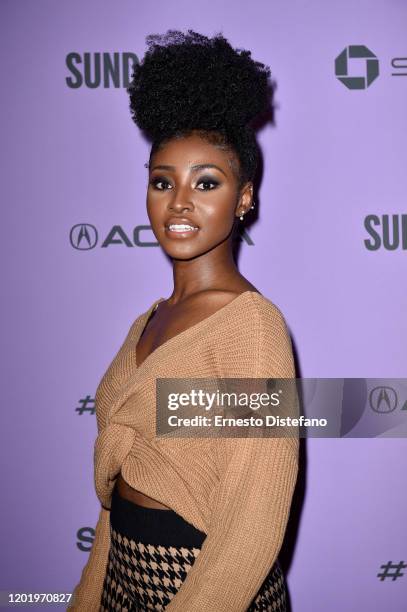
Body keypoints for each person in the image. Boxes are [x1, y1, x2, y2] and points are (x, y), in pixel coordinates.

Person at [68, 29, 299, 611]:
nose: (179, 202)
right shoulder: (146, 322)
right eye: (162, 181)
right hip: (126, 574)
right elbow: (120, 489)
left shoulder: (252, 327)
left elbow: (255, 513)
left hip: (205, 586)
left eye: (207, 183)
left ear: (243, 197)